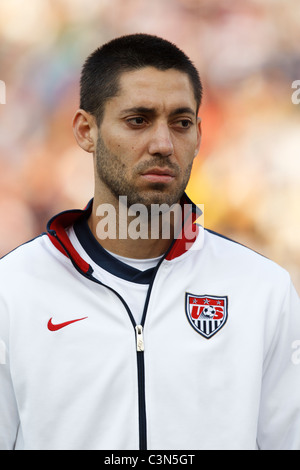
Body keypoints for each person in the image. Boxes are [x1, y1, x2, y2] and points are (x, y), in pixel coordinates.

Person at [0, 33, 299, 451]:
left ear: (198, 135)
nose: (163, 144)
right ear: (86, 130)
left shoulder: (263, 290)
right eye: (138, 120)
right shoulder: (12, 290)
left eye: (181, 123)